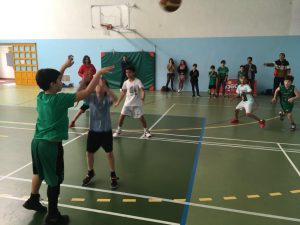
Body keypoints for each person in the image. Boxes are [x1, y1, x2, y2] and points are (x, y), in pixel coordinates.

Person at [22, 55, 113, 225]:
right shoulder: (60, 99)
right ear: (52, 84)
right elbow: (85, 93)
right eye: (59, 80)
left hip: (36, 143)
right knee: (54, 180)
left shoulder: (41, 97)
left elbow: (53, 79)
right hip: (50, 146)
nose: (61, 81)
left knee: (39, 172)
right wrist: (98, 73)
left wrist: (64, 66)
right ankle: (53, 215)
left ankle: (33, 199)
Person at [82, 78, 119, 188]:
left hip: (106, 131)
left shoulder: (107, 98)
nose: (99, 86)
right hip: (93, 131)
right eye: (98, 85)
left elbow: (116, 99)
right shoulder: (91, 97)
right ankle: (90, 172)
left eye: (102, 85)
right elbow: (80, 94)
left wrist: (107, 89)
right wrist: (84, 82)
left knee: (109, 154)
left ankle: (113, 174)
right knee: (89, 153)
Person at [113, 65, 151, 138]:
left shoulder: (138, 81)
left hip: (136, 104)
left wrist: (142, 98)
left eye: (129, 72)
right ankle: (118, 130)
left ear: (133, 73)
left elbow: (142, 91)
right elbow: (123, 93)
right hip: (127, 103)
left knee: (141, 118)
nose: (127, 74)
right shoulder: (125, 82)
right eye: (126, 72)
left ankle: (146, 131)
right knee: (121, 117)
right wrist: (118, 102)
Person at [69, 55, 96, 128]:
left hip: (93, 101)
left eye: (88, 59)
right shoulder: (82, 66)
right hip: (87, 102)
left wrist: (91, 74)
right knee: (81, 110)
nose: (87, 60)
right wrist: (76, 102)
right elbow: (78, 95)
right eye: (86, 59)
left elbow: (95, 72)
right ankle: (73, 121)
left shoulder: (91, 66)